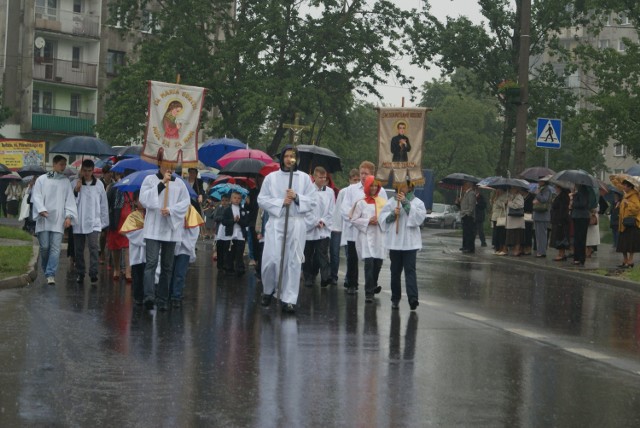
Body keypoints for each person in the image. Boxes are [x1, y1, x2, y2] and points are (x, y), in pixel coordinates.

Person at [258, 145, 316, 314]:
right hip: (277, 222)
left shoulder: (304, 178)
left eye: (293, 156)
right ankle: (268, 290)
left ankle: (288, 299)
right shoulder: (271, 178)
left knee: (292, 262)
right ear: (282, 158)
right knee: (273, 260)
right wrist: (280, 202)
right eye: (287, 156)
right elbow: (262, 199)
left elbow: (312, 201)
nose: (290, 159)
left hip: (296, 223)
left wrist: (297, 197)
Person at [139, 163, 191, 311]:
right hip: (153, 227)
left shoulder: (179, 183)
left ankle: (162, 298)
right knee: (151, 262)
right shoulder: (150, 180)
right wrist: (162, 183)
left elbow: (185, 203)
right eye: (167, 164)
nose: (170, 168)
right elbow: (144, 200)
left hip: (170, 229)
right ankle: (149, 296)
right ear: (160, 164)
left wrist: (171, 210)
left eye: (173, 165)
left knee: (167, 266)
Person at [378, 181, 426, 310]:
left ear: (410, 187)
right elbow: (382, 219)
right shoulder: (391, 202)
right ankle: (395, 298)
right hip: (395, 242)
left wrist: (405, 203)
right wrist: (393, 214)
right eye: (399, 186)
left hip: (410, 243)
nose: (402, 188)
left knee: (410, 271)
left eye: (404, 186)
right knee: (395, 272)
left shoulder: (417, 202)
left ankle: (413, 298)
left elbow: (419, 219)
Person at [341, 161, 388, 294]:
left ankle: (372, 284)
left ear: (372, 174)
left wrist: (377, 220)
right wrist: (356, 219)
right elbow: (345, 209)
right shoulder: (351, 189)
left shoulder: (381, 191)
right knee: (352, 258)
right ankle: (352, 284)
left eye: (366, 174)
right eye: (361, 173)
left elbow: (384, 209)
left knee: (375, 259)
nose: (362, 176)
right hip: (354, 230)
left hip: (374, 231)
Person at [31, 155, 78, 285]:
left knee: (55, 248)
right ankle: (46, 269)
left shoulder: (65, 182)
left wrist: (68, 216)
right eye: (62, 164)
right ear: (54, 164)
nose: (64, 167)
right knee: (45, 247)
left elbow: (69, 201)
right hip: (44, 219)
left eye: (65, 164)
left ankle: (50, 274)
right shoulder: (42, 179)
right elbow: (37, 196)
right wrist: (41, 209)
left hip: (58, 220)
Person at [349, 175, 386, 303]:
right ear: (367, 187)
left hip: (379, 237)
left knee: (378, 263)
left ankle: (373, 283)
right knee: (369, 264)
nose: (374, 188)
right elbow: (354, 220)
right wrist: (368, 221)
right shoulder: (361, 203)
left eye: (376, 186)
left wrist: (381, 220)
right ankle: (369, 292)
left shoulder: (382, 202)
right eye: (372, 186)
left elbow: (386, 219)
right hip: (365, 237)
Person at [72, 159, 109, 283]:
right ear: (81, 170)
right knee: (79, 249)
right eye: (85, 171)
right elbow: (71, 203)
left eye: (89, 171)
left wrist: (104, 222)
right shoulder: (76, 183)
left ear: (93, 171)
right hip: (79, 221)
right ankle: (80, 273)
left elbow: (103, 204)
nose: (87, 173)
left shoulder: (99, 185)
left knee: (94, 247)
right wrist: (76, 191)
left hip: (94, 221)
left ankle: (93, 273)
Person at [303, 166, 334, 287]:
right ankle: (308, 277)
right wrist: (315, 221)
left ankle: (325, 277)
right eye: (320, 177)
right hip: (310, 228)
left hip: (323, 228)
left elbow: (332, 209)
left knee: (321, 253)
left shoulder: (330, 192)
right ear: (314, 177)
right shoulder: (308, 190)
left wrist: (323, 221)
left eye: (324, 177)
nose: (322, 180)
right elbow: (306, 209)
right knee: (308, 254)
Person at [170, 204, 204, 308]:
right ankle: (168, 292)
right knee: (169, 271)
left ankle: (176, 294)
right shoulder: (170, 207)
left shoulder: (190, 210)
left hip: (184, 248)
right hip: (171, 245)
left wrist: (187, 243)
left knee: (180, 272)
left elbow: (194, 230)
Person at [330, 168, 358, 286]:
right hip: (343, 227)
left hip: (355, 228)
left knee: (352, 255)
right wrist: (336, 227)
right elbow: (338, 210)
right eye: (354, 180)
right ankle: (340, 277)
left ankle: (350, 279)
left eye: (358, 180)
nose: (356, 182)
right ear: (349, 179)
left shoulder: (361, 192)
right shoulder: (344, 192)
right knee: (341, 254)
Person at [119, 191, 146, 306]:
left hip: (147, 252)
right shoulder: (132, 216)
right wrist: (141, 234)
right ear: (134, 202)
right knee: (137, 273)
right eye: (140, 199)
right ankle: (137, 296)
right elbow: (126, 232)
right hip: (136, 252)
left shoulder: (150, 215)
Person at [106, 172, 133, 281]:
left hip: (130, 221)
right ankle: (117, 268)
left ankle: (128, 271)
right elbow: (108, 204)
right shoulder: (114, 188)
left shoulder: (134, 188)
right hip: (116, 221)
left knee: (128, 247)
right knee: (115, 247)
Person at [221, 190, 250, 276]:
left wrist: (239, 220)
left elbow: (246, 222)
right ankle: (229, 268)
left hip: (240, 234)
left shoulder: (243, 210)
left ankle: (240, 268)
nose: (237, 200)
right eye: (235, 198)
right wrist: (233, 221)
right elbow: (224, 222)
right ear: (231, 199)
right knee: (230, 252)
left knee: (239, 252)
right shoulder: (227, 210)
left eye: (239, 198)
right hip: (231, 234)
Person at [615, 179, 640, 268]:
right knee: (623, 243)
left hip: (631, 224)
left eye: (625, 185)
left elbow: (637, 209)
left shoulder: (634, 196)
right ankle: (625, 259)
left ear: (629, 186)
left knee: (630, 243)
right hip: (623, 223)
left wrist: (628, 204)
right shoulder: (625, 196)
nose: (623, 187)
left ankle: (630, 260)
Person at [570, 184, 591, 266]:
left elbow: (582, 204)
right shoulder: (580, 193)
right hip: (578, 216)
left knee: (580, 238)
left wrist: (573, 200)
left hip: (581, 217)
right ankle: (577, 258)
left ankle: (579, 258)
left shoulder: (582, 193)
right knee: (578, 238)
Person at [549, 185, 571, 261]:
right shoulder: (560, 196)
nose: (555, 189)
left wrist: (560, 220)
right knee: (559, 237)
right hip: (558, 219)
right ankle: (561, 253)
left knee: (561, 237)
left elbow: (563, 209)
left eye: (556, 187)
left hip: (561, 220)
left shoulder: (563, 197)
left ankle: (561, 254)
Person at [532, 176, 553, 258]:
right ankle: (539, 250)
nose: (539, 182)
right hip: (538, 214)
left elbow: (544, 199)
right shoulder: (541, 189)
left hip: (543, 215)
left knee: (542, 234)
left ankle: (542, 251)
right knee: (538, 234)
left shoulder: (547, 189)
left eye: (540, 181)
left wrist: (538, 194)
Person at [505, 186, 525, 256]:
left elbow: (519, 205)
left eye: (513, 188)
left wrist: (509, 203)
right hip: (511, 220)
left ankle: (517, 249)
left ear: (516, 189)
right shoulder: (511, 196)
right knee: (512, 236)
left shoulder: (519, 196)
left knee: (517, 236)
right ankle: (514, 249)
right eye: (511, 188)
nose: (511, 190)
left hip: (517, 220)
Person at [458, 180, 476, 253]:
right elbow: (463, 205)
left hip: (468, 216)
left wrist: (468, 214)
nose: (463, 187)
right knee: (465, 232)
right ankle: (465, 246)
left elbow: (471, 205)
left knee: (469, 232)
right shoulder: (465, 193)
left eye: (464, 185)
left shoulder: (471, 193)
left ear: (468, 185)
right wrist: (459, 202)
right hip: (464, 215)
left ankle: (469, 247)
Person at [213, 194, 230, 270]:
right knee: (219, 247)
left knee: (226, 248)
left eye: (226, 200)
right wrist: (223, 217)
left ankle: (225, 264)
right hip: (219, 230)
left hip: (227, 230)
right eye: (223, 200)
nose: (224, 202)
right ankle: (219, 265)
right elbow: (215, 217)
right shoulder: (219, 208)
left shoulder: (230, 209)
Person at [491, 188, 508, 255]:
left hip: (501, 217)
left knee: (501, 234)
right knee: (496, 234)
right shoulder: (496, 196)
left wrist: (496, 201)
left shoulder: (505, 195)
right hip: (495, 217)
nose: (497, 191)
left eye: (498, 189)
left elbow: (504, 205)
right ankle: (497, 248)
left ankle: (502, 248)